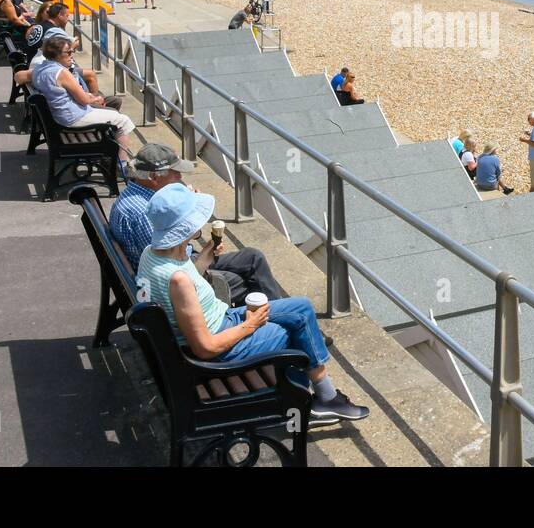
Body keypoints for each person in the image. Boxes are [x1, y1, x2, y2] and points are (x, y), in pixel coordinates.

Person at [138, 183, 369, 422]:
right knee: (296, 332)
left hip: (218, 325)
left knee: (302, 307)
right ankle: (309, 402)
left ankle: (320, 397)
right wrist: (250, 325)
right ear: (185, 227)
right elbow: (205, 348)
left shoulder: (152, 254)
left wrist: (207, 254)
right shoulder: (178, 280)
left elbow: (183, 283)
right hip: (220, 348)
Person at [110, 144, 288, 307]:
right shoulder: (144, 212)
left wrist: (183, 207)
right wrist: (191, 215)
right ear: (155, 177)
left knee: (252, 257)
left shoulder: (141, 197)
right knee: (243, 280)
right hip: (175, 277)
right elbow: (170, 258)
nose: (180, 177)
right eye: (175, 172)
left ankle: (277, 311)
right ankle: (275, 318)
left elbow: (168, 246)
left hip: (176, 263)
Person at [30, 36, 135, 160]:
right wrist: (95, 99)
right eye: (68, 52)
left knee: (112, 113)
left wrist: (90, 97)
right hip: (71, 119)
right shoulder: (62, 73)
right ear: (56, 55)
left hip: (57, 118)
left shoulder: (39, 69)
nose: (71, 54)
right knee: (123, 121)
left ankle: (114, 157)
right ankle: (122, 164)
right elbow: (84, 101)